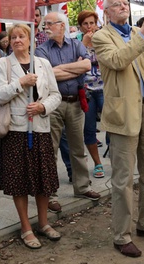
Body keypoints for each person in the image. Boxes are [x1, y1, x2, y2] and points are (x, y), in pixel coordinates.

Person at [92, 0, 144, 258]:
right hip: (123, 114)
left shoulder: (139, 31)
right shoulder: (101, 37)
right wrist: (143, 34)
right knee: (123, 178)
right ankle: (121, 235)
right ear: (107, 12)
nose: (122, 7)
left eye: (125, 3)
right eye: (116, 4)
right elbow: (117, 61)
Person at [0, 23, 63, 249]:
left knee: (43, 180)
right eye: (13, 37)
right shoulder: (2, 64)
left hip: (40, 129)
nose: (17, 40)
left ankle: (43, 223)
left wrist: (43, 107)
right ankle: (26, 227)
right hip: (15, 130)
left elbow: (55, 94)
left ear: (30, 39)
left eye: (21, 36)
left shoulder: (42, 63)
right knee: (19, 182)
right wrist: (20, 82)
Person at [36, 11, 100, 212]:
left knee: (77, 147)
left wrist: (60, 69)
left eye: (49, 23)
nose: (45, 27)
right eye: (44, 24)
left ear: (62, 26)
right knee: (51, 150)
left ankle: (82, 187)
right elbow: (45, 75)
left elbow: (87, 65)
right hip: (53, 104)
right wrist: (75, 68)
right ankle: (51, 194)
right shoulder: (41, 50)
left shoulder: (75, 44)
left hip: (75, 103)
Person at [78, 10, 105, 179]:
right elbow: (78, 65)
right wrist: (86, 46)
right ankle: (97, 163)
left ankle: (116, 157)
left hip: (105, 87)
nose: (89, 27)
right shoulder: (76, 42)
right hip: (87, 90)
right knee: (89, 129)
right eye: (85, 24)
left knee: (113, 124)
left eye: (92, 23)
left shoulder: (103, 38)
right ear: (80, 27)